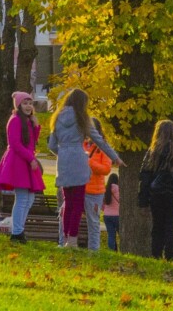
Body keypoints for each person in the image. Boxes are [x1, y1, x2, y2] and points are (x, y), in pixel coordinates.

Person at [47, 89, 122, 248]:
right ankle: (73, 240)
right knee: (78, 202)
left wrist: (64, 153)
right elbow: (100, 141)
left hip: (64, 162)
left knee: (67, 202)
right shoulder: (82, 119)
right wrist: (115, 156)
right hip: (79, 161)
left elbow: (52, 145)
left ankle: (65, 238)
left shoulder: (57, 117)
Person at [137, 119, 173, 261]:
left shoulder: (154, 151)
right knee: (172, 225)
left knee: (157, 226)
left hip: (157, 194)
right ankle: (171, 255)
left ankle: (156, 253)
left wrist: (143, 200)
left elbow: (145, 176)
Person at [0, 91, 45, 244]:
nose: (28, 106)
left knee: (29, 198)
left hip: (26, 161)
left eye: (30, 103)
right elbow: (15, 143)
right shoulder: (15, 120)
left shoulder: (27, 121)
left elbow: (32, 142)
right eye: (25, 103)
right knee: (22, 198)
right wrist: (30, 158)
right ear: (18, 105)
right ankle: (17, 232)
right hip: (19, 162)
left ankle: (19, 229)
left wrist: (36, 127)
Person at [81, 137, 112, 251]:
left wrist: (89, 162)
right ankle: (67, 244)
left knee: (93, 222)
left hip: (94, 191)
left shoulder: (103, 148)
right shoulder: (80, 144)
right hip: (78, 187)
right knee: (68, 217)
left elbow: (106, 169)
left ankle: (93, 250)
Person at [102, 173, 121, 251]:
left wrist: (105, 210)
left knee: (111, 235)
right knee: (121, 234)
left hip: (107, 215)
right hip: (117, 215)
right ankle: (124, 250)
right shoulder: (118, 189)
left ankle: (112, 251)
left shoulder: (105, 189)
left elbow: (102, 204)